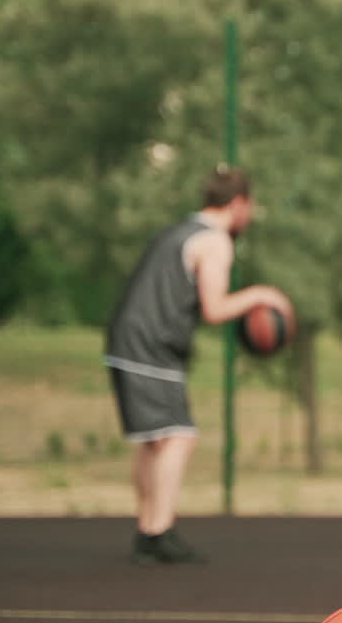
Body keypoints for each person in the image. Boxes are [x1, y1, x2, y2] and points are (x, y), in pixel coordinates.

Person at [106, 164, 292, 565]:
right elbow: (215, 308)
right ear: (239, 202)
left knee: (154, 440)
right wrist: (261, 294)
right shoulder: (215, 241)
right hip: (150, 344)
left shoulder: (180, 230)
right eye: (251, 206)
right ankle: (159, 531)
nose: (252, 215)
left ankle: (147, 529)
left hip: (126, 338)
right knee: (179, 436)